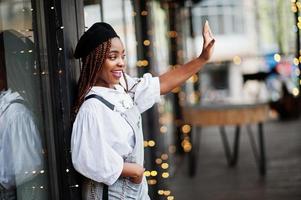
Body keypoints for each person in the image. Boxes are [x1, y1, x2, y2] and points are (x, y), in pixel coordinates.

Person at [71, 21, 215, 200]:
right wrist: (135, 172)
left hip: (134, 191)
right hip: (114, 194)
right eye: (112, 57)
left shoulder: (122, 88)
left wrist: (202, 58)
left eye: (122, 56)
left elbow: (162, 84)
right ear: (95, 59)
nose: (121, 63)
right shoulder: (92, 108)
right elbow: (87, 159)